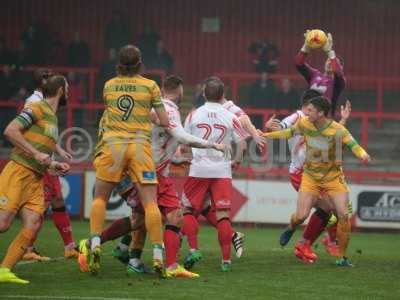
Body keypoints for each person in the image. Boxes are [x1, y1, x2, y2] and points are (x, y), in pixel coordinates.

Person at [96, 75, 226, 278]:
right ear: (180, 91)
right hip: (152, 174)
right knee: (174, 216)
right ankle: (168, 265)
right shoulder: (169, 110)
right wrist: (212, 144)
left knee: (139, 219)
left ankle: (109, 249)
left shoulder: (150, 107)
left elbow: (154, 140)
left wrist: (173, 161)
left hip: (139, 168)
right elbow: (181, 137)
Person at [78, 45, 169, 276]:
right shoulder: (150, 86)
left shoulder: (109, 85)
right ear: (140, 63)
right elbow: (165, 121)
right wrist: (149, 115)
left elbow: (113, 113)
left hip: (112, 146)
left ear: (118, 63)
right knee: (150, 203)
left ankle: (95, 243)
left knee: (100, 198)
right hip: (139, 147)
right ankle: (158, 254)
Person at [262, 96, 370, 267]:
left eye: (311, 110)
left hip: (333, 178)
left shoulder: (337, 129)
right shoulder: (304, 123)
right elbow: (288, 132)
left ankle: (342, 257)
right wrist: (266, 135)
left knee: (343, 215)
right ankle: (292, 227)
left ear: (321, 113)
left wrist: (363, 155)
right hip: (310, 177)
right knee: (301, 216)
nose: (307, 112)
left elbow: (352, 144)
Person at [0, 75, 70, 284]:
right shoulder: (37, 107)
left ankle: (4, 270)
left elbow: (41, 151)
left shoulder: (53, 116)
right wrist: (35, 154)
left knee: (34, 222)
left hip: (36, 177)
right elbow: (10, 130)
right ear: (60, 90)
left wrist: (52, 165)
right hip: (18, 172)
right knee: (2, 224)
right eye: (67, 88)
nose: (69, 92)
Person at [181, 77, 247, 272]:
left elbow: (184, 141)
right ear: (222, 96)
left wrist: (185, 156)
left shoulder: (193, 115)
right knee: (223, 215)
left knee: (187, 210)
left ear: (203, 94)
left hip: (199, 170)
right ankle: (226, 261)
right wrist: (237, 159)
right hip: (222, 171)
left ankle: (193, 249)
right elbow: (242, 141)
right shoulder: (230, 116)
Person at [21, 69, 78, 261]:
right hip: (40, 162)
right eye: (49, 79)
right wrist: (37, 154)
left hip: (48, 160)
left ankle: (69, 246)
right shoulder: (34, 102)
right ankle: (27, 248)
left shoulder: (45, 103)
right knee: (41, 206)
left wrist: (59, 151)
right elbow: (25, 130)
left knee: (57, 202)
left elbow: (46, 132)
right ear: (43, 83)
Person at [295, 31, 345, 115]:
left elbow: (338, 73)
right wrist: (306, 47)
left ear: (341, 67)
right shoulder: (315, 75)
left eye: (332, 61)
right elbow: (299, 64)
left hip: (325, 121)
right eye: (328, 60)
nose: (329, 62)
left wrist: (329, 51)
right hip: (307, 118)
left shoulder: (338, 83)